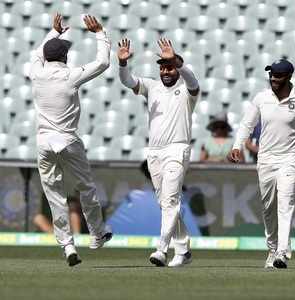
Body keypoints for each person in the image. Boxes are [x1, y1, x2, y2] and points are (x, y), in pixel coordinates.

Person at [228, 59, 295, 269]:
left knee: (285, 204)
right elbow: (246, 124)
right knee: (268, 207)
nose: (273, 80)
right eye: (272, 75)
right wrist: (237, 146)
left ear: (288, 77)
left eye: (278, 76)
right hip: (266, 159)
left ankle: (282, 252)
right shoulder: (261, 98)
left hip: (289, 159)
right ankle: (272, 248)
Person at [30, 14, 112, 267]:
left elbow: (36, 51)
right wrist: (100, 32)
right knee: (85, 187)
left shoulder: (36, 73)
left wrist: (52, 33)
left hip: (44, 143)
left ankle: (67, 246)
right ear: (64, 57)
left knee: (54, 196)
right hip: (67, 141)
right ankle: (97, 234)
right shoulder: (71, 76)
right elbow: (102, 63)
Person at [118, 38, 200, 267]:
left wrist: (177, 60)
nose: (165, 71)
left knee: (171, 200)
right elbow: (127, 81)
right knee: (165, 204)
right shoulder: (151, 86)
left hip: (177, 148)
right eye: (162, 67)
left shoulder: (186, 90)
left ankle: (162, 249)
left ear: (177, 68)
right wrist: (123, 64)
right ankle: (183, 250)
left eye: (169, 67)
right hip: (154, 152)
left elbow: (193, 80)